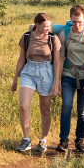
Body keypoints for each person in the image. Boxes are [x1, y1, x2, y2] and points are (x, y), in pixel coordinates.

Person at [11, 12, 63, 153]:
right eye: (45, 26)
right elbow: (21, 59)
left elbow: (57, 62)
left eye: (49, 26)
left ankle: (43, 140)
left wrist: (56, 82)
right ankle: (26, 139)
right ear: (37, 25)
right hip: (29, 71)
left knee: (45, 109)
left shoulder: (53, 39)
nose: (48, 28)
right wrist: (15, 78)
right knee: (23, 106)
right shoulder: (27, 37)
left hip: (46, 72)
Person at [54, 5, 84, 153]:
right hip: (68, 74)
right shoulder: (64, 34)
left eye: (79, 22)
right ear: (70, 19)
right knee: (67, 106)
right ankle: (63, 140)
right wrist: (57, 81)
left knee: (82, 111)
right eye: (74, 22)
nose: (76, 25)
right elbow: (60, 59)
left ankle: (79, 141)